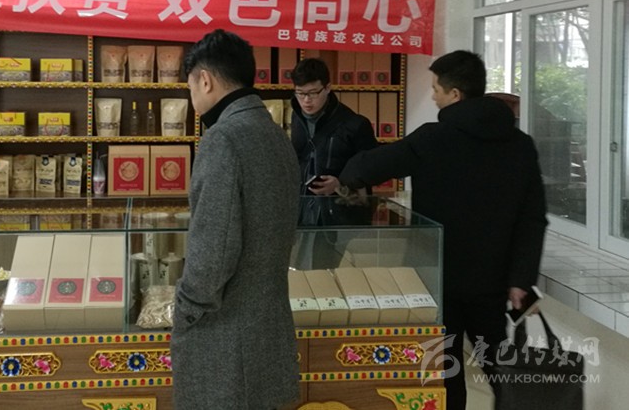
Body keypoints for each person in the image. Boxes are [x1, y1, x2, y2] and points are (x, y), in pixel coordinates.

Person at [341, 50, 547, 410]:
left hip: (438, 278)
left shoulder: (434, 139)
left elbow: (367, 167)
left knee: (444, 371)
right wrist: (520, 279)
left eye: (436, 89)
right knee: (500, 367)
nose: (433, 97)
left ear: (455, 94)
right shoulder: (520, 145)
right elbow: (533, 218)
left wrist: (348, 179)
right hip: (493, 280)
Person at [171, 30, 300, 410]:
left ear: (205, 80)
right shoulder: (275, 135)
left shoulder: (223, 139)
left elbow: (215, 248)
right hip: (267, 327)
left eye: (190, 86)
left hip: (224, 337)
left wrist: (185, 308)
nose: (192, 99)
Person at [290, 58, 379, 268]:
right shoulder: (296, 118)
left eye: (313, 93)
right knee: (298, 273)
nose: (306, 101)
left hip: (338, 215)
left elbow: (372, 170)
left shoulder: (355, 125)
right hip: (301, 210)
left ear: (328, 88)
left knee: (326, 272)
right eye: (300, 93)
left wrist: (340, 183)